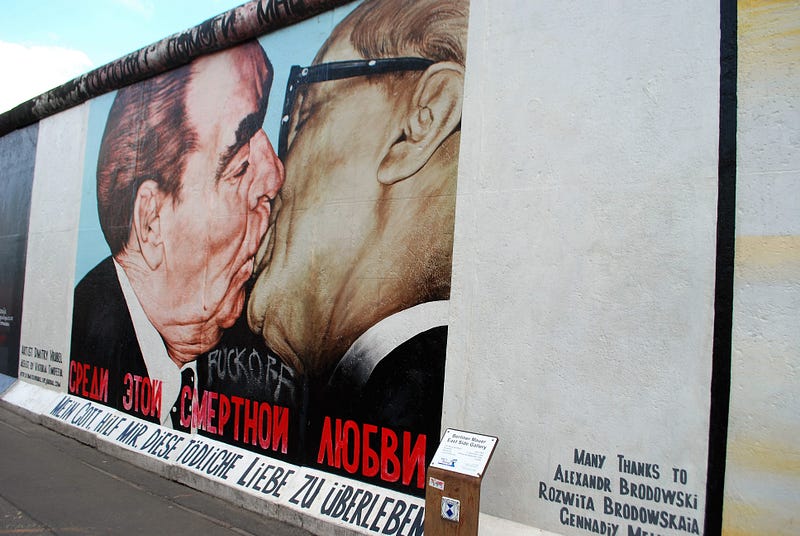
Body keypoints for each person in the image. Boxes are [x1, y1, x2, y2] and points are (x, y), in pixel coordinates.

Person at [247, 0, 468, 489]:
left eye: (305, 109)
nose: (274, 172)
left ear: (423, 120)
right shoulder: (395, 388)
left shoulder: (408, 395)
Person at [69, 41, 284, 429]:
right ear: (152, 222)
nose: (273, 175)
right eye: (240, 166)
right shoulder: (81, 340)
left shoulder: (258, 361)